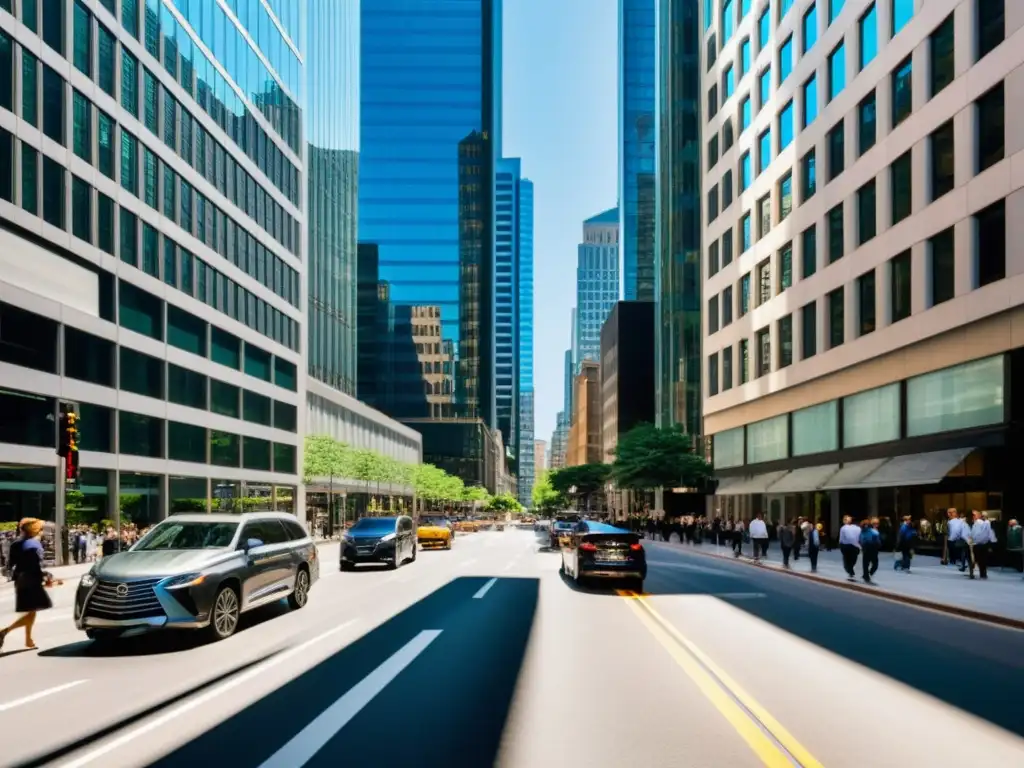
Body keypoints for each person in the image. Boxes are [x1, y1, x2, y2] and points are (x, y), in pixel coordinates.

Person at [0, 518, 61, 651]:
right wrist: (46, 577)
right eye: (41, 529)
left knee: (31, 611)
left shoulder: (16, 543)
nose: (42, 531)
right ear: (36, 530)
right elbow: (33, 566)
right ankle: (4, 631)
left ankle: (28, 639)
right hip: (31, 581)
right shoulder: (34, 545)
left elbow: (11, 565)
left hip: (20, 581)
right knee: (32, 612)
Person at [967, 510, 996, 580]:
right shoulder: (974, 523)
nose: (973, 516)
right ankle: (981, 573)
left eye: (975, 515)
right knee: (979, 559)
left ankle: (981, 573)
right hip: (977, 544)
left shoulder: (981, 523)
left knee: (980, 559)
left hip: (980, 544)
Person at [838, 515, 862, 581]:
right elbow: (860, 538)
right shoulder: (859, 528)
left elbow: (841, 538)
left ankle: (851, 572)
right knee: (853, 560)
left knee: (846, 560)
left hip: (846, 546)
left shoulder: (843, 528)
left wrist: (840, 545)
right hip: (856, 546)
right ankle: (851, 572)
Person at [860, 519, 881, 584]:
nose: (866, 526)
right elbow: (878, 540)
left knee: (868, 563)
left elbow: (878, 540)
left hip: (870, 548)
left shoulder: (871, 531)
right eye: (865, 525)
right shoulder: (866, 532)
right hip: (870, 548)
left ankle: (867, 575)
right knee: (869, 563)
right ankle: (866, 576)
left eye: (867, 525)